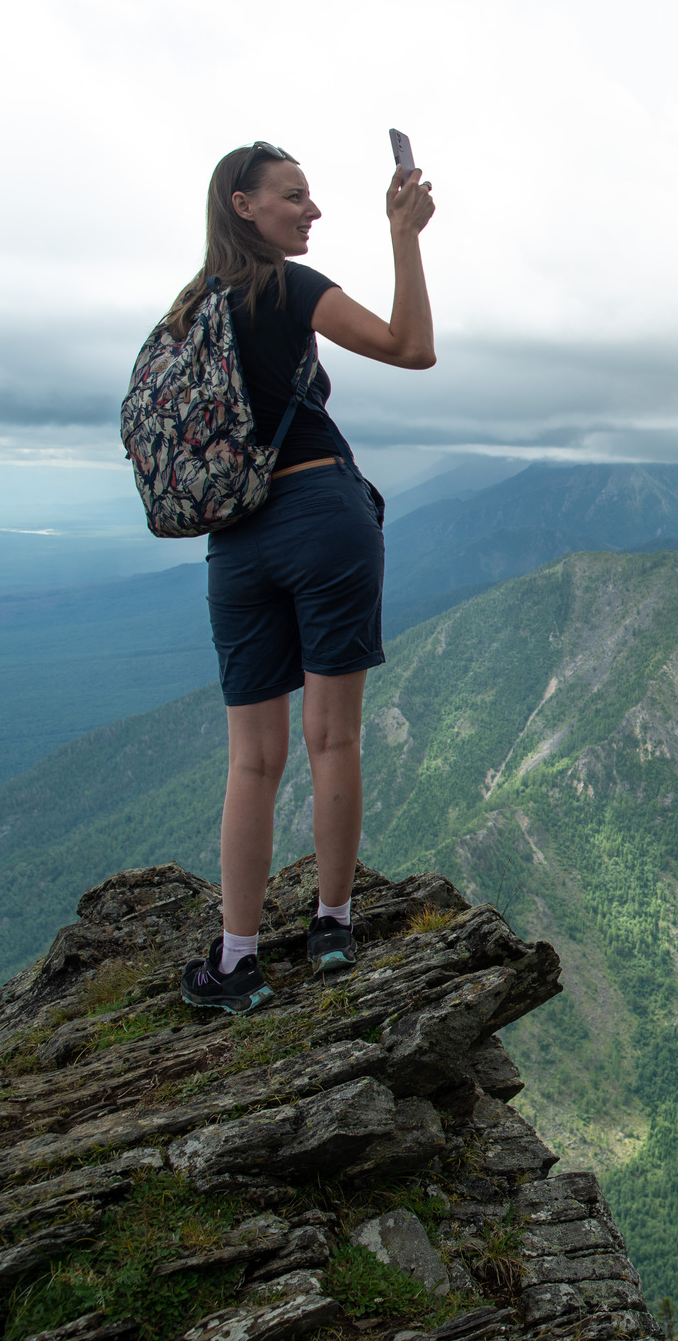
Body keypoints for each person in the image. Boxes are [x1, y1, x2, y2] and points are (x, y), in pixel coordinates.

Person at [167, 140, 437, 1013]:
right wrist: (404, 233)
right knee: (333, 737)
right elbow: (411, 347)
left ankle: (237, 960)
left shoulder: (190, 311)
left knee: (252, 759)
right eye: (295, 197)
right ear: (242, 206)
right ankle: (331, 926)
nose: (312, 212)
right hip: (322, 515)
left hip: (233, 536)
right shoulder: (288, 287)